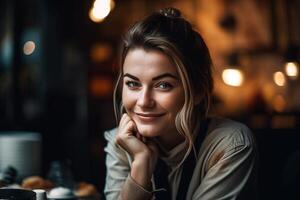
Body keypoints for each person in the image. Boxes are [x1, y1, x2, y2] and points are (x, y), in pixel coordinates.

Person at [104, 7, 258, 200]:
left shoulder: (231, 145)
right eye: (133, 84)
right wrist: (141, 165)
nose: (143, 102)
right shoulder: (120, 142)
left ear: (198, 91)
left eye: (163, 85)